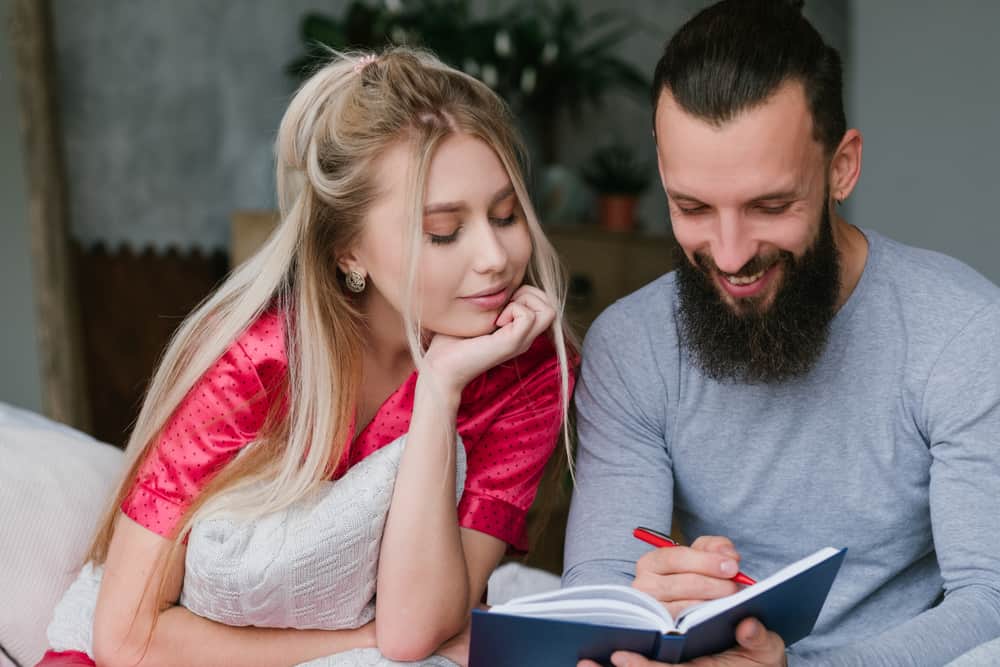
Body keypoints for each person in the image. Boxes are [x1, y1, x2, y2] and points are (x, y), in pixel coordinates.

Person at [37, 47, 576, 667]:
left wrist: (440, 389)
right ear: (349, 251)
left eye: (506, 215)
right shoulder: (259, 362)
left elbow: (415, 631)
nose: (496, 257)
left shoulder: (527, 372)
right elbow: (127, 639)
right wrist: (354, 642)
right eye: (442, 231)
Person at [563, 1, 1000, 666]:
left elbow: (991, 599)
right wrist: (634, 602)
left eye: (770, 206)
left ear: (842, 167)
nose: (731, 254)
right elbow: (597, 584)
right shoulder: (632, 345)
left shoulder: (962, 330)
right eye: (692, 207)